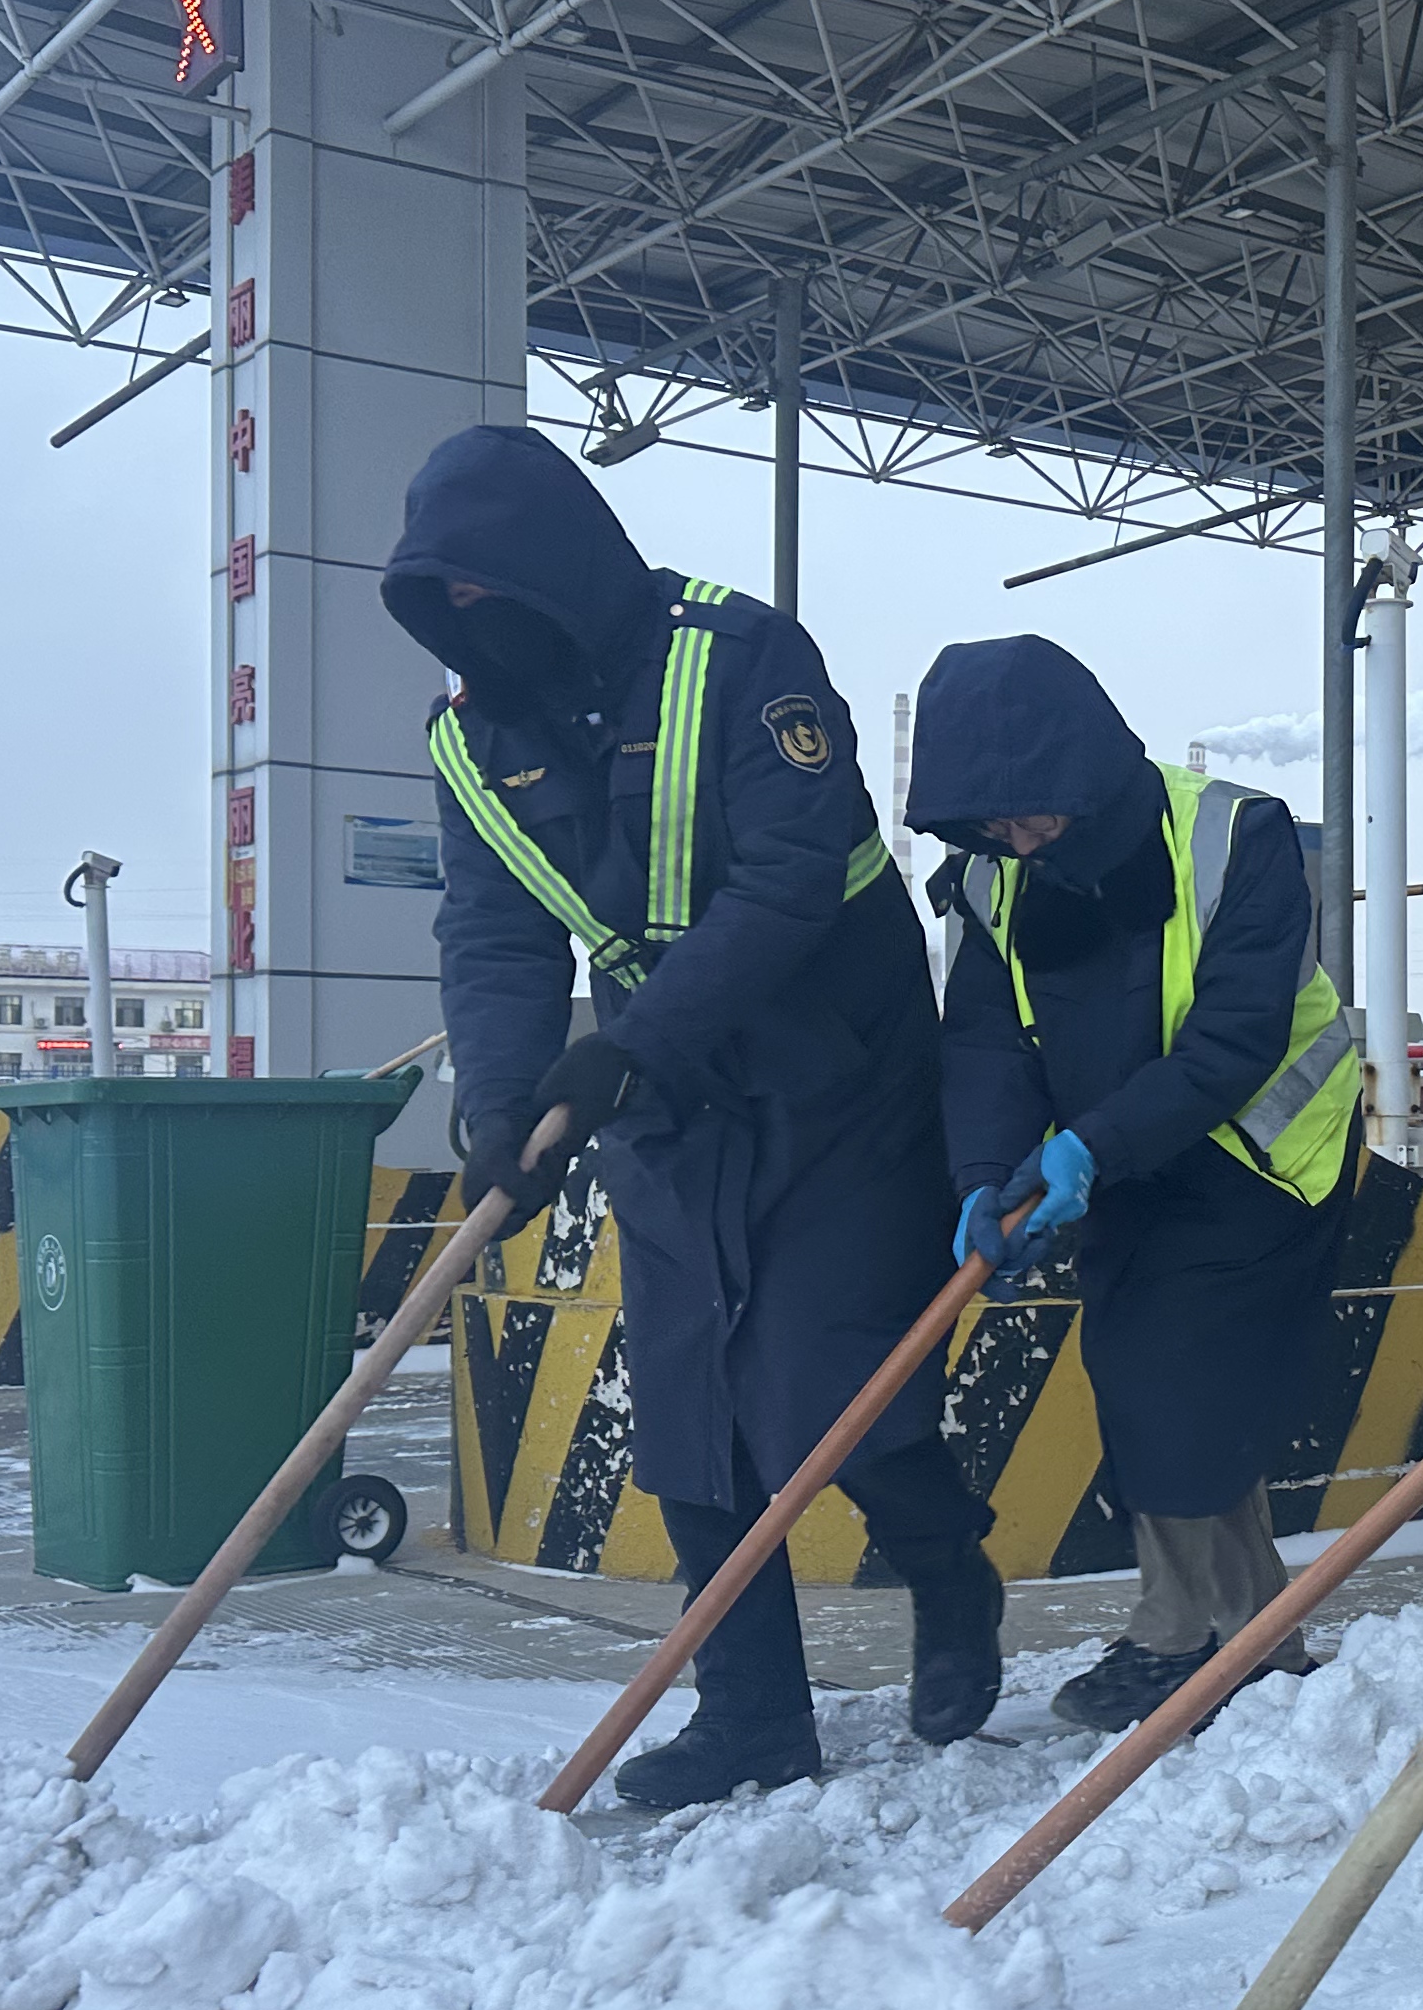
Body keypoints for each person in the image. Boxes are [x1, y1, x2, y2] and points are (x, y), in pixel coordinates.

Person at [388, 424, 1003, 1806]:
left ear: (560, 565)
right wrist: (500, 1104)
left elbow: (790, 883)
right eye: (452, 608)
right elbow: (492, 936)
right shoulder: (471, 741)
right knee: (693, 1416)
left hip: (840, 1078)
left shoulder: (741, 659)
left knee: (831, 1384)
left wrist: (627, 1051)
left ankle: (948, 1572)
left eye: (493, 592)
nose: (476, 626)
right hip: (674, 1110)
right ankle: (750, 1716)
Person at [908, 636, 1364, 1730]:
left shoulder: (1233, 836)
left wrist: (1088, 1151)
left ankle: (1185, 1642)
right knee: (1156, 1385)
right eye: (993, 826)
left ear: (1084, 771)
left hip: (1266, 1157)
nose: (1018, 841)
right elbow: (983, 1045)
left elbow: (1234, 1040)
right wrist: (986, 1177)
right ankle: (1255, 1640)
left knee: (1168, 1378)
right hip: (1123, 1163)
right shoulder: (994, 876)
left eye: (1034, 817)